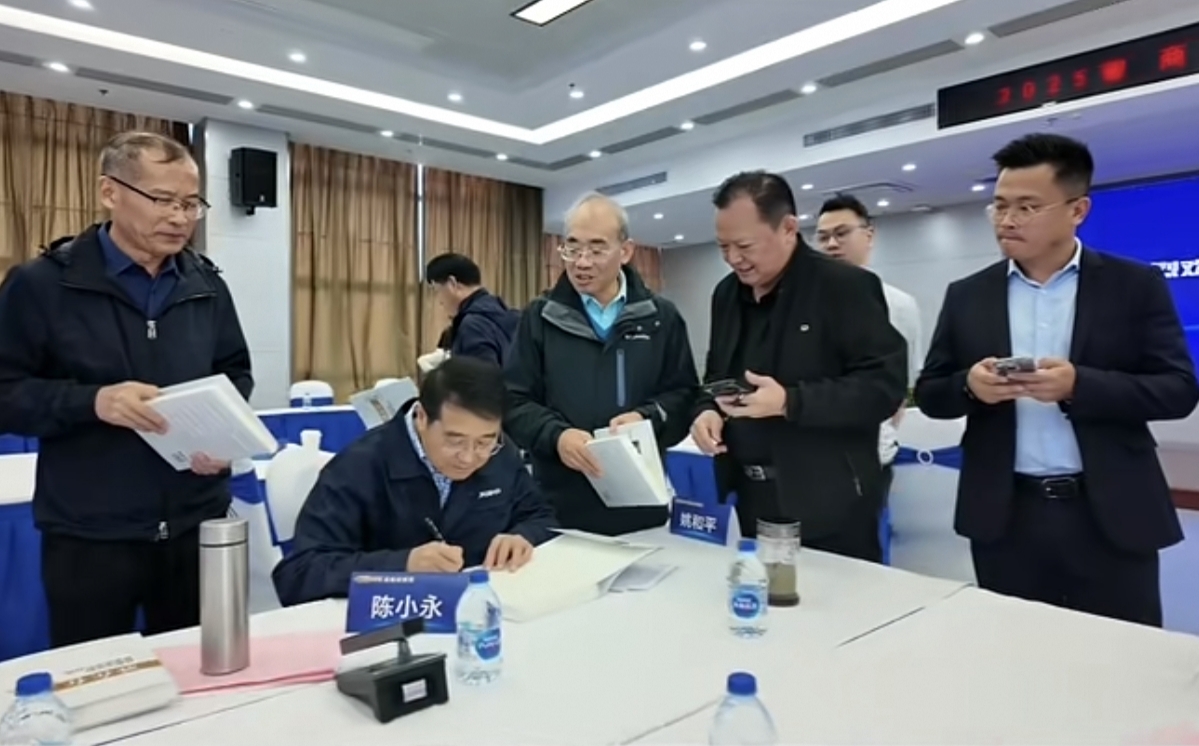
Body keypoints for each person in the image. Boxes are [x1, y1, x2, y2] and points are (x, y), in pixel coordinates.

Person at [915, 133, 1199, 626]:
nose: (1007, 220)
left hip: (1109, 513)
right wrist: (970, 387)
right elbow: (931, 392)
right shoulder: (968, 295)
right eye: (1000, 205)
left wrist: (1079, 386)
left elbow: (1178, 389)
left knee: (1123, 655)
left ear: (1077, 210)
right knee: (1019, 652)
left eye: (1027, 207)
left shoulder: (1133, 286)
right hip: (1006, 516)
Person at [0, 131, 252, 646]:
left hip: (194, 525)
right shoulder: (43, 285)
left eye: (191, 204)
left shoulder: (206, 285)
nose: (180, 217)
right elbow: (6, 391)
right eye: (162, 200)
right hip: (90, 536)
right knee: (94, 677)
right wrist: (94, 402)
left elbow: (235, 371)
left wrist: (220, 435)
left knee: (198, 673)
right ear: (109, 192)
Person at [688, 172, 907, 561]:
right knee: (763, 595)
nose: (733, 258)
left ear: (788, 228)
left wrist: (790, 401)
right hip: (751, 498)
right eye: (723, 247)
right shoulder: (726, 294)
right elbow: (715, 374)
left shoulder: (845, 286)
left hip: (832, 504)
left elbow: (883, 388)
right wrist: (708, 410)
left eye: (744, 246)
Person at [273, 356, 557, 605]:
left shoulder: (500, 453)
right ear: (422, 417)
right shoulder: (360, 465)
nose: (469, 457)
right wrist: (403, 564)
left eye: (484, 442)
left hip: (482, 611)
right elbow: (299, 574)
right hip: (387, 625)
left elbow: (542, 517)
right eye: (454, 441)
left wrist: (523, 536)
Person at [504, 192, 699, 535]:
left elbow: (684, 396)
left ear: (625, 251)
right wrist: (557, 436)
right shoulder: (541, 317)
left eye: (596, 249)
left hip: (639, 505)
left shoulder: (660, 318)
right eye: (572, 248)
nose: (581, 262)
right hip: (559, 504)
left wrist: (647, 417)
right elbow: (513, 401)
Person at [816, 193, 922, 502]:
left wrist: (884, 432)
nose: (832, 244)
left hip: (872, 455)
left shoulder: (899, 304)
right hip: (810, 458)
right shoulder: (801, 302)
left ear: (869, 235)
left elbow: (901, 386)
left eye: (841, 233)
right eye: (823, 237)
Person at [425, 252, 521, 367]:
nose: (439, 301)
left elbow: (479, 375)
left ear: (452, 283)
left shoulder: (473, 325)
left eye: (436, 291)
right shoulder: (506, 314)